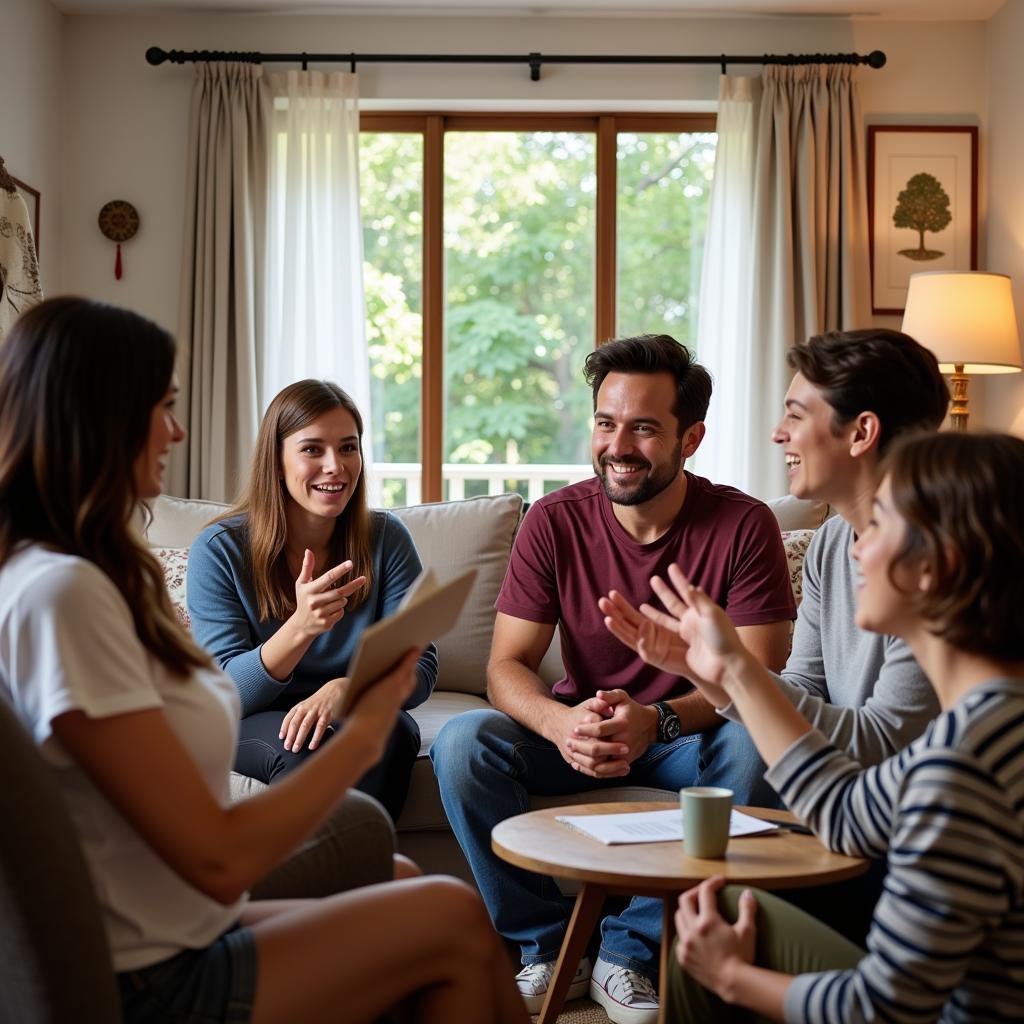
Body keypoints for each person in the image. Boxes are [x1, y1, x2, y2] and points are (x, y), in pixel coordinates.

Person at [0, 297, 528, 1024]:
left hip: (166, 924)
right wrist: (360, 718)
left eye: (348, 448)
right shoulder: (66, 595)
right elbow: (217, 855)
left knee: (400, 875)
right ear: (101, 418)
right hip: (150, 972)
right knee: (450, 916)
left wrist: (358, 701)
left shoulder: (67, 575)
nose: (177, 430)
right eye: (163, 406)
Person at [431, 334, 796, 1023]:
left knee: (754, 750)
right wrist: (559, 723)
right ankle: (545, 948)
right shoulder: (553, 520)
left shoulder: (744, 525)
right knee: (461, 744)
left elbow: (760, 674)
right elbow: (505, 665)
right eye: (605, 422)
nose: (617, 444)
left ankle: (629, 951)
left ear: (691, 438)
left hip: (688, 737)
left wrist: (655, 721)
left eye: (644, 428)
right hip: (581, 731)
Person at [660, 431, 1024, 1023]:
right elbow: (847, 813)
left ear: (935, 567)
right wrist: (729, 672)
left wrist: (729, 976)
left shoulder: (962, 764)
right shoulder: (989, 720)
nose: (856, 549)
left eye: (877, 526)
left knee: (714, 927)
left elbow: (882, 1008)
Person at [602, 328, 950, 940]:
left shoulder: (934, 559)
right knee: (705, 917)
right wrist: (710, 673)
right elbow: (804, 690)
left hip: (912, 849)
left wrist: (732, 673)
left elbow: (880, 740)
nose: (778, 434)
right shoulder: (834, 542)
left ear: (862, 433)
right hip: (841, 811)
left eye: (795, 414)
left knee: (716, 918)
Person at [187, 379, 437, 821]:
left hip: (350, 710)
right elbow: (225, 694)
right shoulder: (220, 548)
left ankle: (362, 877)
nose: (335, 466)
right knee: (307, 747)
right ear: (277, 462)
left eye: (348, 448)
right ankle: (307, 882)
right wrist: (301, 627)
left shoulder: (385, 539)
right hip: (252, 719)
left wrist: (349, 688)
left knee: (394, 730)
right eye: (312, 450)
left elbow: (421, 667)